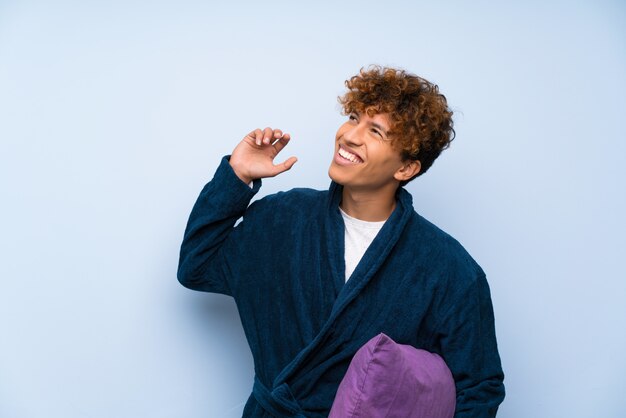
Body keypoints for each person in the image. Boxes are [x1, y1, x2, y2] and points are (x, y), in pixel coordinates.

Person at [177, 65, 505, 417]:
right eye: (353, 117)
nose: (349, 136)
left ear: (406, 168)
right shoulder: (283, 217)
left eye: (375, 131)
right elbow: (198, 267)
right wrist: (236, 177)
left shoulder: (448, 268)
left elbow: (478, 388)